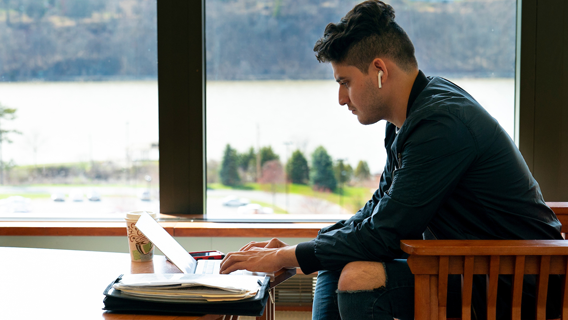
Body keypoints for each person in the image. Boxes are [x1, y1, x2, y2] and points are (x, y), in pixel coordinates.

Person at [220, 1, 562, 319]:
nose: (341, 99)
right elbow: (377, 211)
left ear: (379, 70)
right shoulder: (408, 119)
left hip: (518, 281)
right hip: (470, 265)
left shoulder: (441, 125)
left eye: (345, 82)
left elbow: (384, 233)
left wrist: (289, 256)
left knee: (358, 276)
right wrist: (305, 249)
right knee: (336, 259)